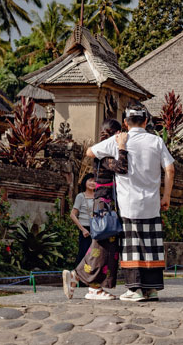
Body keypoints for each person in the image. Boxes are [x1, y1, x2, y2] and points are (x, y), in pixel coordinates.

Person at [87, 103, 175, 302]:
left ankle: (134, 290)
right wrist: (166, 196)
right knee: (151, 247)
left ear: (125, 123)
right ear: (145, 121)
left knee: (132, 246)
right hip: (152, 203)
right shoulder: (156, 141)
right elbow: (170, 169)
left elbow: (90, 152)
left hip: (129, 204)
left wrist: (118, 146)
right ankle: (151, 290)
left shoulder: (118, 140)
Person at [64, 120, 128, 300]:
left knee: (102, 246)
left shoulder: (103, 151)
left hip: (105, 204)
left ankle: (78, 277)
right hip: (104, 205)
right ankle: (93, 287)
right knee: (102, 247)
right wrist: (122, 148)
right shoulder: (104, 153)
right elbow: (122, 167)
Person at [70, 175, 96, 268]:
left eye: (94, 181)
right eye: (90, 180)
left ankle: (91, 279)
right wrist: (83, 229)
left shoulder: (98, 197)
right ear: (85, 182)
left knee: (94, 256)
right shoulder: (80, 196)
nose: (92, 183)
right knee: (83, 254)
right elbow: (72, 215)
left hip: (96, 229)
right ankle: (78, 278)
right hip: (85, 230)